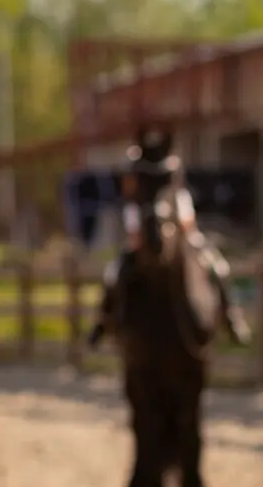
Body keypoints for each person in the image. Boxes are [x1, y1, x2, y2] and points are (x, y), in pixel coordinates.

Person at [88, 125, 250, 348]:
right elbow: (132, 223)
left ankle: (231, 317)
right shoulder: (138, 198)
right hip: (142, 240)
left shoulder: (175, 189)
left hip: (181, 238)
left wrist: (180, 230)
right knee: (113, 273)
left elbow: (188, 219)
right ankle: (104, 322)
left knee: (218, 266)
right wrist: (138, 236)